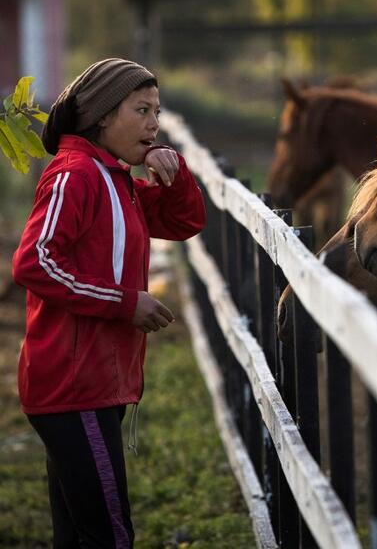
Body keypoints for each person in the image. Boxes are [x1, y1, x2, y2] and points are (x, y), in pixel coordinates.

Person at [12, 58, 206, 548]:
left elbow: (185, 222)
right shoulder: (75, 175)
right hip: (74, 386)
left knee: (79, 536)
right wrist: (124, 303)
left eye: (156, 111)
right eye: (141, 110)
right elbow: (34, 261)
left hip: (95, 384)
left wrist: (175, 172)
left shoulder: (116, 180)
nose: (153, 123)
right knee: (110, 536)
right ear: (101, 116)